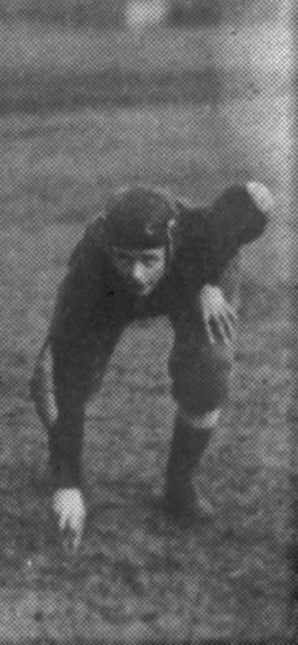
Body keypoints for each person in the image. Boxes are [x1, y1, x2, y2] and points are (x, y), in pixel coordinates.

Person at [30, 182, 273, 550]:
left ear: (173, 246)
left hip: (196, 277)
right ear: (108, 248)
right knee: (49, 381)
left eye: (148, 260)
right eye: (125, 258)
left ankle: (179, 484)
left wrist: (208, 280)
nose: (137, 274)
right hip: (112, 294)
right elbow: (68, 381)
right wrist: (68, 483)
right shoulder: (88, 276)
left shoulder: (206, 235)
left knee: (209, 367)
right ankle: (62, 456)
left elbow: (247, 215)